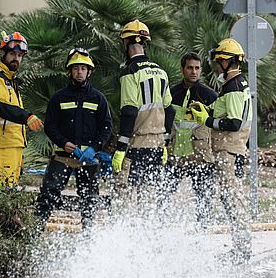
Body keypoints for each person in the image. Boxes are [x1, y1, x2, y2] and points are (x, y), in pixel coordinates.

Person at [189, 38, 252, 264]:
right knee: (229, 198)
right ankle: (240, 248)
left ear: (228, 62)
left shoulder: (234, 87)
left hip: (230, 151)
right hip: (228, 151)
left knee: (234, 200)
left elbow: (234, 123)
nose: (216, 65)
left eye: (219, 61)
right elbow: (224, 112)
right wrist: (206, 111)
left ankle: (242, 250)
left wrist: (207, 121)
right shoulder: (233, 86)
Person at [36, 47, 113, 229]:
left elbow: (106, 127)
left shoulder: (98, 99)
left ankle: (88, 238)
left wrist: (94, 148)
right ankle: (35, 232)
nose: (80, 72)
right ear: (70, 71)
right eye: (76, 68)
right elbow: (50, 126)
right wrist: (64, 142)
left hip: (89, 158)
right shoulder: (58, 98)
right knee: (48, 194)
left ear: (89, 72)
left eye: (83, 69)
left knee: (89, 199)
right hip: (63, 156)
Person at [111, 20, 174, 207]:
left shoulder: (130, 72)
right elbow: (169, 110)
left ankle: (124, 234)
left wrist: (121, 148)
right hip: (156, 144)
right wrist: (165, 142)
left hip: (136, 144)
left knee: (123, 194)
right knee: (148, 195)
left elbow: (129, 111)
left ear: (126, 43)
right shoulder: (161, 72)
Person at [0, 31, 44, 186]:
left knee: (10, 192)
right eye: (12, 54)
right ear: (3, 53)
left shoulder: (10, 80)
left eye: (20, 55)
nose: (16, 58)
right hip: (2, 146)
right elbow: (2, 107)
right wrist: (27, 116)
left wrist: (19, 149)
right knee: (1, 192)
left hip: (13, 145)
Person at [166, 52, 218, 229]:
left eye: (197, 68)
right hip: (175, 156)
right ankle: (159, 233)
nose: (193, 72)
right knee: (163, 196)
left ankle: (201, 235)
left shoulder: (210, 95)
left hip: (201, 157)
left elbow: (216, 127)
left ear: (201, 70)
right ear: (182, 69)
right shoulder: (171, 93)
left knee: (204, 201)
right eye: (190, 68)